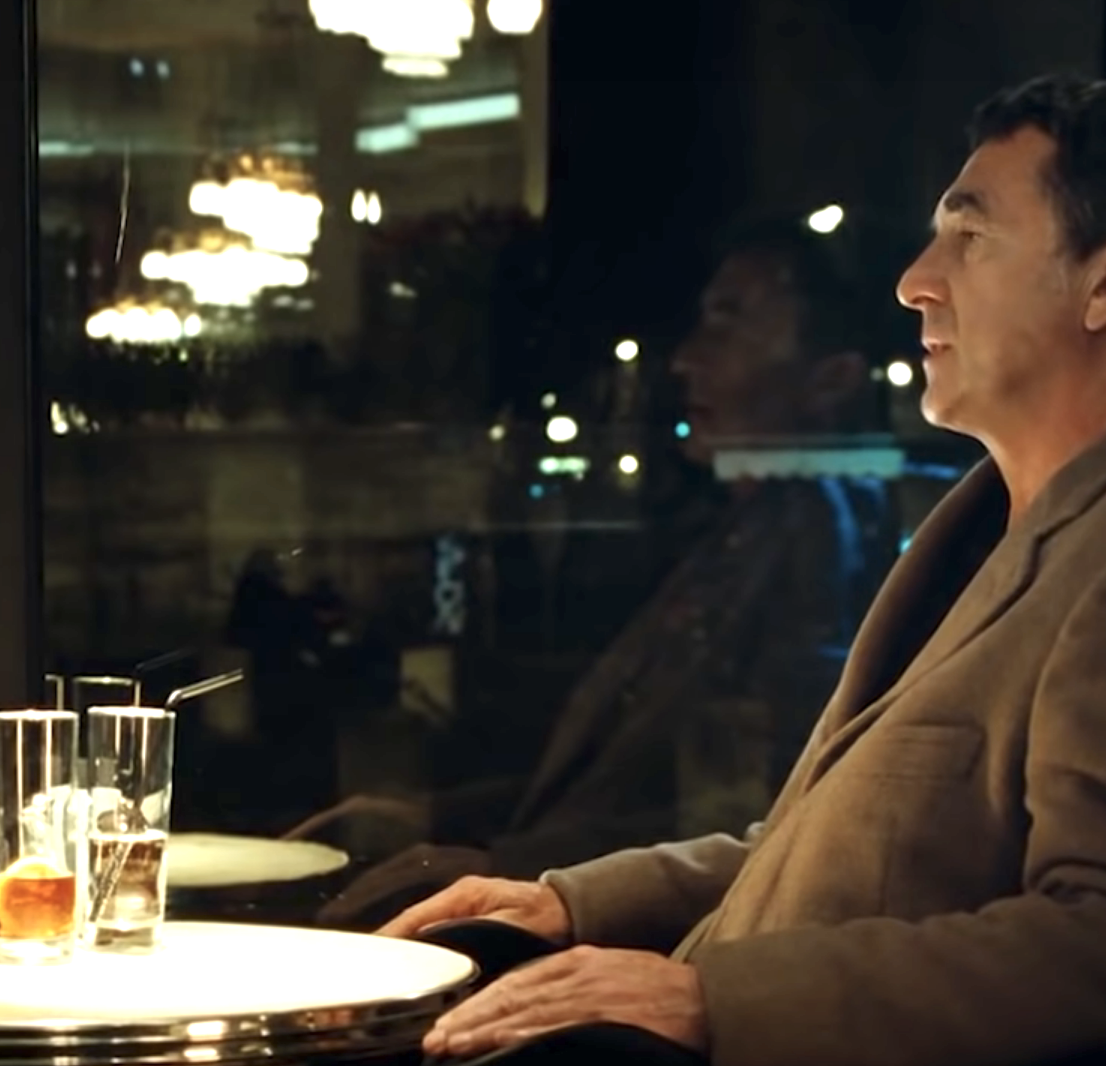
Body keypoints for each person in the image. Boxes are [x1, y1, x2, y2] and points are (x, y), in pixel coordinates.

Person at [82, 77, 1106, 1066]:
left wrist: (705, 1002)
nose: (917, 278)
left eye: (967, 232)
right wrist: (572, 902)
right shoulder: (1019, 530)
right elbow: (852, 845)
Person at [308, 219, 905, 928]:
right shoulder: (746, 528)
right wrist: (437, 815)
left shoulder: (824, 538)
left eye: (729, 322)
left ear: (831, 378)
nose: (685, 360)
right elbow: (627, 771)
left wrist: (506, 867)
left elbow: (755, 809)